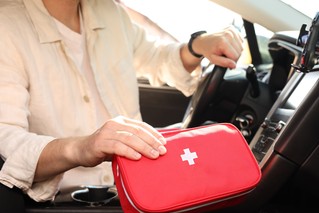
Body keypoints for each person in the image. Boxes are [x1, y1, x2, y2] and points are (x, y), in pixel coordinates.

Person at [0, 0, 244, 202]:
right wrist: (82, 147)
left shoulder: (109, 13)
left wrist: (197, 45)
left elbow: (158, 58)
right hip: (67, 205)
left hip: (137, 186)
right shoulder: (7, 28)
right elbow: (7, 144)